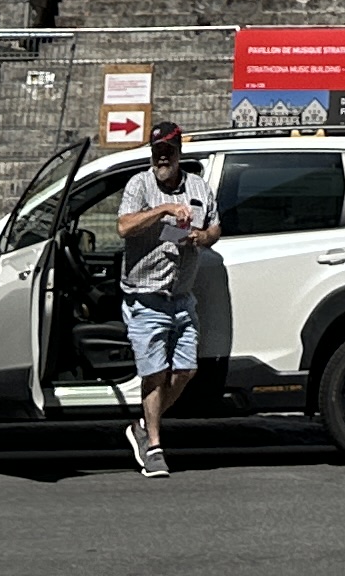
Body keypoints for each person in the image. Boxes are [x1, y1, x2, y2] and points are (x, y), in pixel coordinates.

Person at [112, 121, 218, 475]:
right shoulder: (139, 185)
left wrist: (203, 237)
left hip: (182, 298)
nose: (162, 158)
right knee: (155, 374)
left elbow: (215, 226)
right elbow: (124, 227)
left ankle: (143, 426)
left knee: (186, 370)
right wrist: (164, 210)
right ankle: (155, 448)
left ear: (179, 152)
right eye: (157, 152)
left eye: (168, 151)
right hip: (146, 298)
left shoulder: (199, 186)